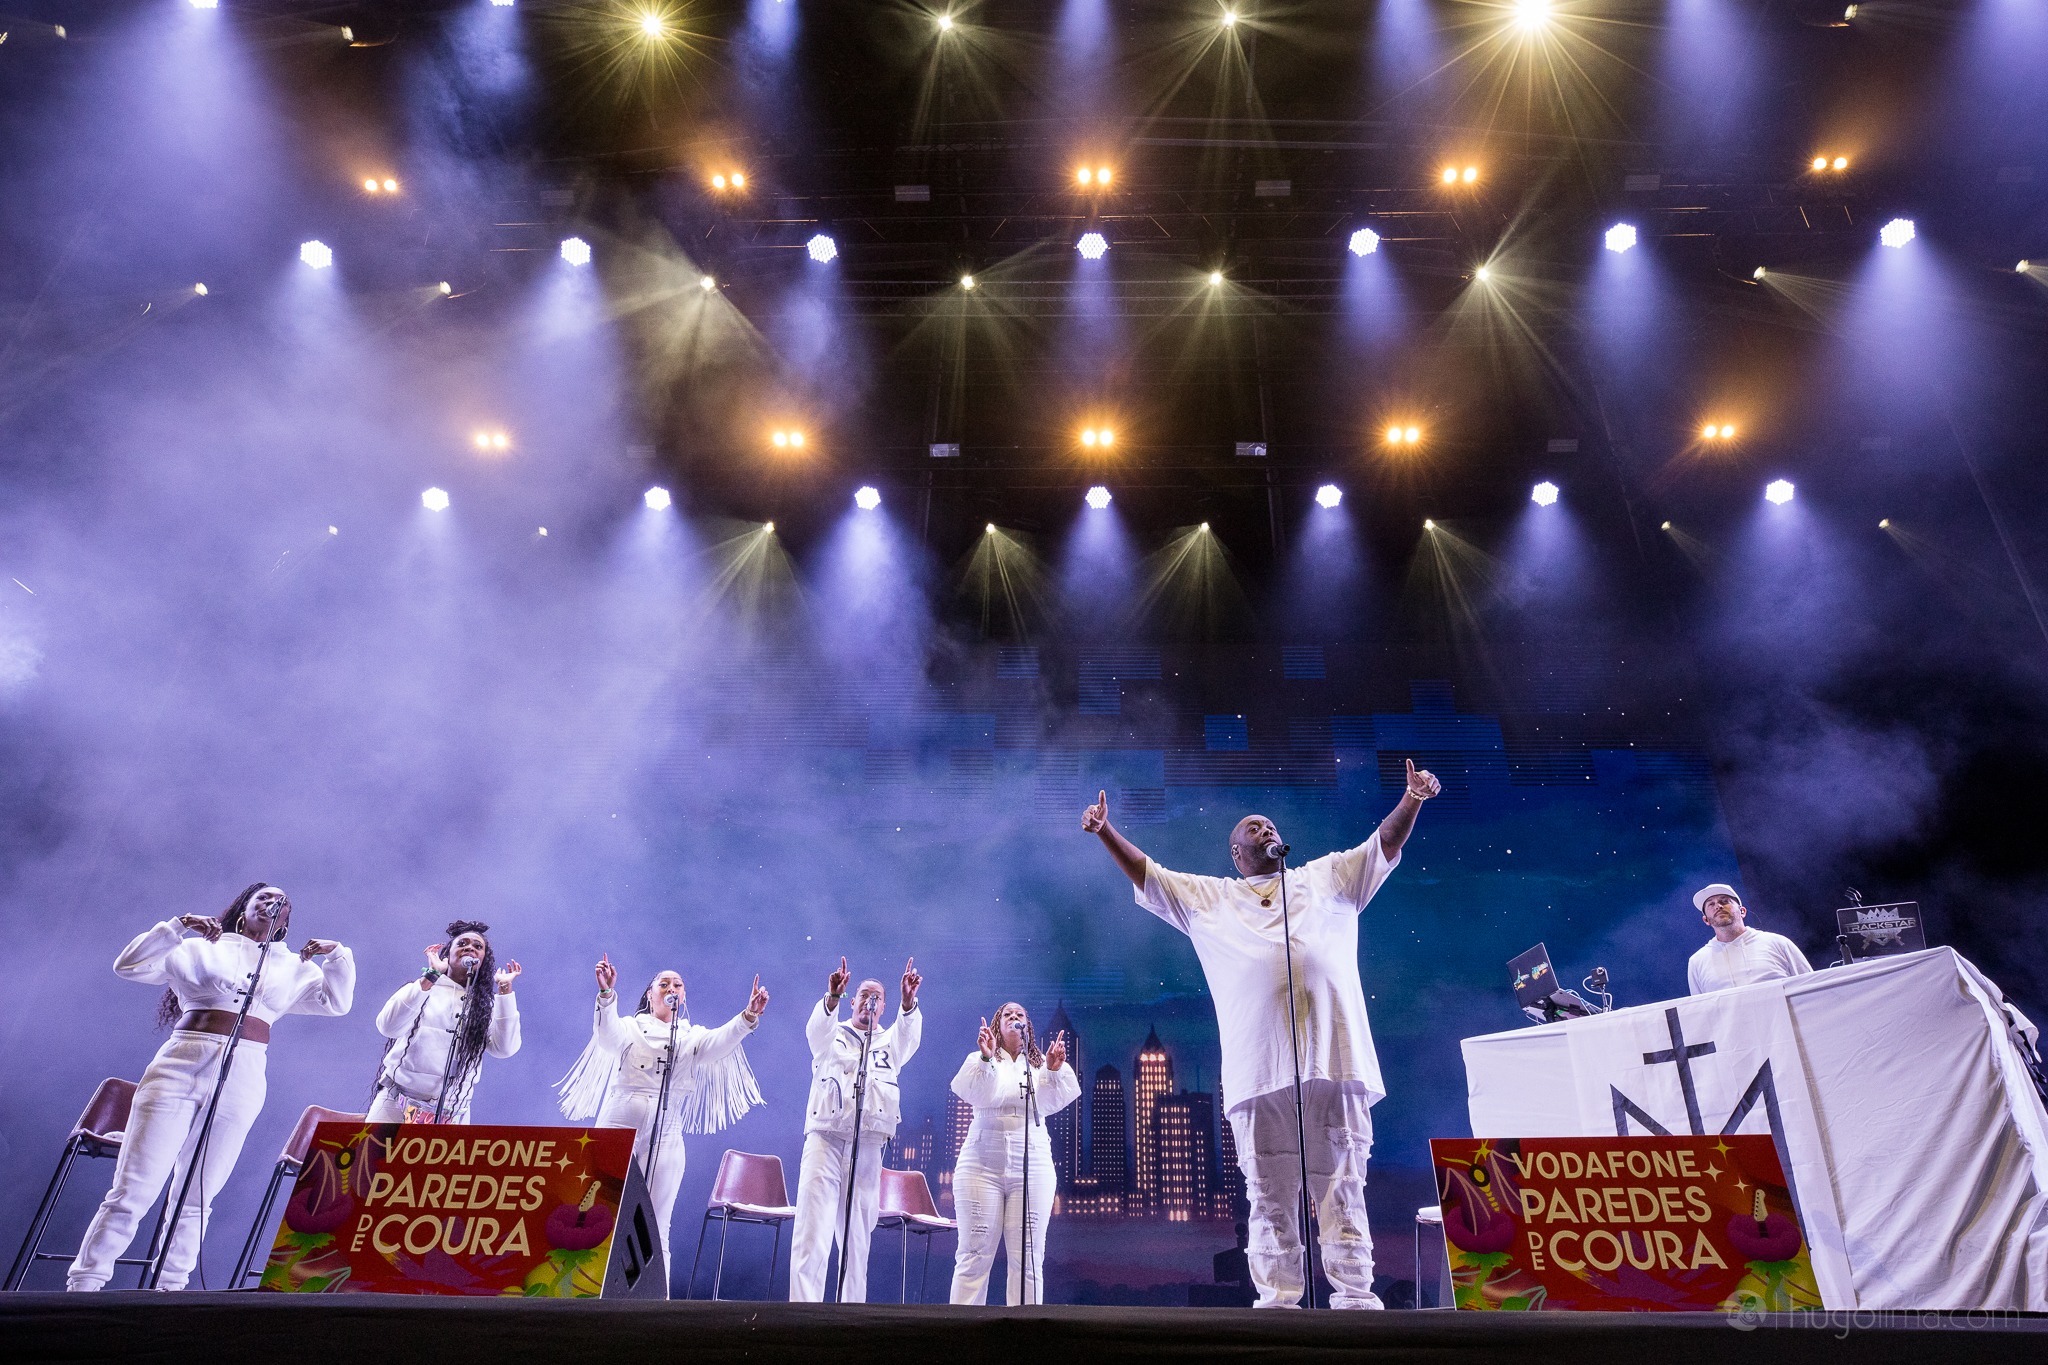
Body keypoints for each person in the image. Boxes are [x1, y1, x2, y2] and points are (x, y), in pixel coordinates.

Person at [1080, 758, 1442, 1310]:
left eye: (1270, 825)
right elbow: (1149, 874)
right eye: (1254, 827)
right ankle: (1278, 1304)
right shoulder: (1211, 899)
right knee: (1269, 1197)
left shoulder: (1326, 878)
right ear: (1236, 852)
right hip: (1259, 1074)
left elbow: (1382, 845)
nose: (1266, 829)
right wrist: (1106, 831)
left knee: (1343, 1186)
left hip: (1335, 1065)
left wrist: (1412, 799)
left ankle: (1354, 1299)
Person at [68, 884, 354, 1291]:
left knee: (198, 1194)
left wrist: (338, 955)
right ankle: (85, 1285)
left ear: (286, 921)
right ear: (243, 909)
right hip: (180, 1063)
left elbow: (336, 1002)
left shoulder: (292, 966)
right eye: (265, 897)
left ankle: (170, 1290)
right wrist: (177, 926)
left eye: (283, 902)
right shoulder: (200, 948)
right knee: (136, 1186)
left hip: (245, 1073)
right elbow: (128, 966)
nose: (274, 903)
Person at [555, 955, 769, 1274]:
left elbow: (719, 1042)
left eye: (678, 985)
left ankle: (656, 1307)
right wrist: (606, 996)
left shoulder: (690, 1036)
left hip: (666, 1130)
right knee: (598, 1211)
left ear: (683, 997)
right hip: (619, 1122)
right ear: (650, 994)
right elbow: (607, 1035)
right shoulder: (630, 1027)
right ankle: (585, 1294)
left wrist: (748, 1016)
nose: (671, 987)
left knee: (656, 1225)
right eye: (664, 983)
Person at [788, 956, 923, 1303]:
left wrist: (908, 1004)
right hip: (826, 1138)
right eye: (863, 994)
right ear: (853, 1001)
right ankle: (803, 1315)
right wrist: (831, 997)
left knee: (857, 1237)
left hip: (867, 1145)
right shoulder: (833, 1034)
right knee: (812, 1232)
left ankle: (849, 1316)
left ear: (884, 1007)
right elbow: (815, 1030)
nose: (869, 1000)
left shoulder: (889, 1042)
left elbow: (909, 1038)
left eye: (876, 996)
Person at [947, 1002, 1079, 1306]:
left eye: (1020, 1015)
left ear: (1028, 1027)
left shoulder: (1040, 1065)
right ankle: (961, 1335)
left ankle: (1025, 1335)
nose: (1015, 1018)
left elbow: (1049, 1102)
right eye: (1008, 1015)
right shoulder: (980, 1058)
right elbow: (981, 1094)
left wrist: (1054, 1071)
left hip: (1031, 1161)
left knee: (1029, 1258)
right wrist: (985, 1057)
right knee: (973, 1254)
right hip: (981, 1161)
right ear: (997, 1024)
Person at [366, 920, 523, 1124]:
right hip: (397, 1100)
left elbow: (505, 1049)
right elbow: (388, 1027)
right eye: (462, 943)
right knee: (374, 1156)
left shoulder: (485, 1006)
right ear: (448, 954)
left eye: (478, 946)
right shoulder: (422, 987)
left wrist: (504, 992)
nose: (470, 948)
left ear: (484, 960)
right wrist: (431, 976)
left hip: (453, 1108)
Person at [1687, 883, 1814, 995]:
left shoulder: (1778, 943)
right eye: (1711, 904)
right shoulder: (1698, 961)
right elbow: (1702, 1011)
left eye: (1725, 901)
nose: (1718, 906)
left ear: (1742, 911)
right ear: (1706, 920)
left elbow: (1811, 988)